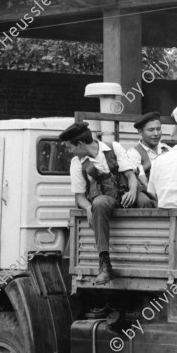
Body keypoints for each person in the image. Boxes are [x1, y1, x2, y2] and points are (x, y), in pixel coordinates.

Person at [60, 122, 155, 285]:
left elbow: (131, 177)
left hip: (127, 193)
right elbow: (80, 197)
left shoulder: (114, 148)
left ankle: (152, 255)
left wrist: (132, 192)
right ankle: (105, 265)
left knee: (145, 201)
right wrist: (88, 207)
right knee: (99, 203)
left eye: (70, 147)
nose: (69, 151)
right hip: (107, 200)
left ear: (81, 144)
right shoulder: (77, 163)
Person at [127, 111, 171, 186]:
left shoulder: (168, 149)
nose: (156, 134)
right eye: (151, 130)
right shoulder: (134, 153)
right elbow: (136, 175)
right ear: (140, 132)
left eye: (158, 129)